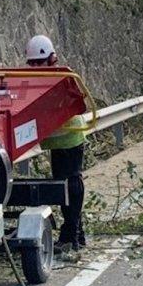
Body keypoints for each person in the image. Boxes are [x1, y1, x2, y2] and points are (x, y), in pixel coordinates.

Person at [25, 34, 86, 252]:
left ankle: (71, 235)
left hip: (71, 137)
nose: (35, 67)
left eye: (39, 62)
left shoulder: (62, 78)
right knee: (64, 187)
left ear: (52, 59)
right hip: (57, 143)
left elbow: (80, 104)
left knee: (70, 185)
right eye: (32, 63)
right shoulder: (30, 80)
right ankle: (77, 233)